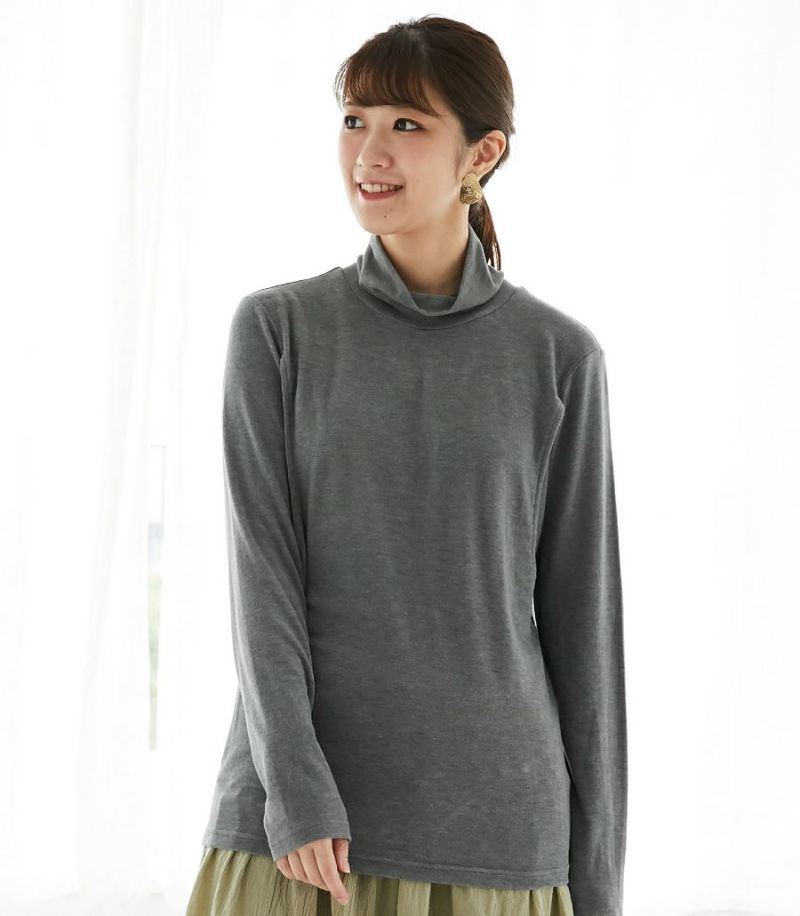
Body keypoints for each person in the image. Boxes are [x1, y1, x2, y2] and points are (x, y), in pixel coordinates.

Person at [187, 14, 627, 916]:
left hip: (498, 836)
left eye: (407, 125)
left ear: (483, 153)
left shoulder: (559, 358)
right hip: (305, 835)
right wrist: (295, 792)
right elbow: (262, 586)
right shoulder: (278, 331)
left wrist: (599, 886)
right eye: (355, 120)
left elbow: (586, 639)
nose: (369, 152)